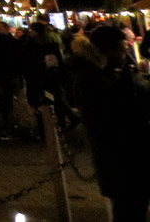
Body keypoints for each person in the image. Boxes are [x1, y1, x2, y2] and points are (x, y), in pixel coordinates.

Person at [70, 25, 150, 222]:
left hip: (135, 153)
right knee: (128, 208)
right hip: (119, 155)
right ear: (107, 49)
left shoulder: (121, 69)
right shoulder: (90, 77)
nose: (124, 51)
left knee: (136, 204)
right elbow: (109, 116)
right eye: (120, 47)